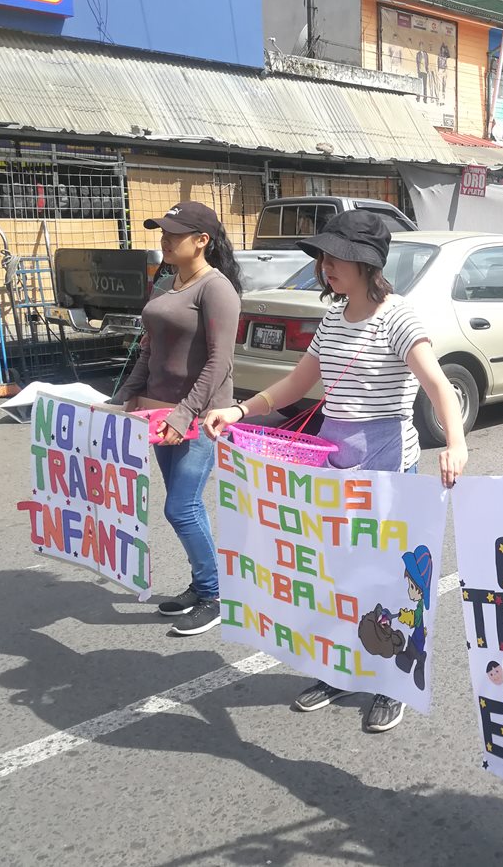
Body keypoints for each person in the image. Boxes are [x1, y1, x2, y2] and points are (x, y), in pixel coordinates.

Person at [204, 210, 467, 731]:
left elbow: (437, 386)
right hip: (333, 459)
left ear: (368, 264)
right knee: (337, 572)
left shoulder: (399, 318)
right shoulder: (332, 319)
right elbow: (296, 385)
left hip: (388, 463)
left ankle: (390, 681)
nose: (326, 267)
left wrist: (455, 443)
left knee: (388, 578)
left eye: (336, 257)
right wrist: (238, 410)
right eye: (323, 257)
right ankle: (341, 668)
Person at [110, 202, 243, 635]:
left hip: (200, 417)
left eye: (174, 233)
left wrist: (186, 414)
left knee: (181, 507)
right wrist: (128, 393)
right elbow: (149, 348)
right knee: (184, 505)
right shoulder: (165, 283)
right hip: (157, 414)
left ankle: (216, 595)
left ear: (202, 240)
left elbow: (220, 362)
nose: (164, 239)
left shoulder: (216, 289)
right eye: (162, 231)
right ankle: (203, 585)